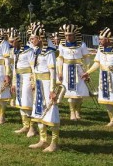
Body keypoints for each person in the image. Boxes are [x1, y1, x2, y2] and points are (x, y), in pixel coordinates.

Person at [82, 28, 113, 130]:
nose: (99, 41)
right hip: (103, 76)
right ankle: (112, 120)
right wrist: (88, 72)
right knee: (107, 99)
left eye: (101, 39)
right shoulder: (100, 49)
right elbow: (97, 63)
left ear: (108, 39)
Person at [28, 22, 61, 152]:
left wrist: (52, 90)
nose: (31, 40)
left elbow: (52, 72)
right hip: (39, 85)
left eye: (33, 38)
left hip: (48, 85)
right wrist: (33, 82)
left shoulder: (49, 53)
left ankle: (54, 143)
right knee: (39, 111)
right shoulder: (35, 51)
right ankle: (43, 140)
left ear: (40, 38)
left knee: (51, 112)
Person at [56, 24, 91, 121]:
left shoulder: (81, 44)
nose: (68, 37)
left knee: (79, 92)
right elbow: (60, 58)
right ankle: (72, 112)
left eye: (70, 35)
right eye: (66, 35)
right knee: (70, 91)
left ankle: (77, 111)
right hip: (67, 69)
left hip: (79, 70)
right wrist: (59, 72)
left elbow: (86, 57)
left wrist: (87, 71)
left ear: (75, 35)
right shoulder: (62, 45)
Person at [8, 28, 36, 136]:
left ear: (18, 40)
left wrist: (33, 81)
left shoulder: (29, 51)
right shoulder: (15, 52)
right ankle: (25, 125)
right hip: (19, 78)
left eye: (12, 41)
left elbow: (33, 66)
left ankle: (32, 127)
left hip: (27, 78)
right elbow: (15, 68)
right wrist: (14, 83)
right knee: (20, 101)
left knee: (27, 102)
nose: (10, 44)